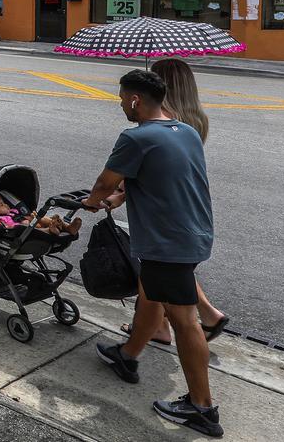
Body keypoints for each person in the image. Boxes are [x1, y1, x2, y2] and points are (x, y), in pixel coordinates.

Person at [82, 69, 223, 438]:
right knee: (150, 295)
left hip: (166, 242)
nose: (120, 105)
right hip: (193, 233)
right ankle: (127, 356)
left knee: (184, 321)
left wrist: (94, 201)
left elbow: (104, 182)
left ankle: (202, 407)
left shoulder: (136, 137)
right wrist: (120, 196)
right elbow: (161, 175)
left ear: (134, 100)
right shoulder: (185, 131)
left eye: (121, 99)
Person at [117, 58, 229, 345]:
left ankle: (150, 335)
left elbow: (150, 169)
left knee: (156, 280)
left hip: (162, 215)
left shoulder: (166, 123)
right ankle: (205, 315)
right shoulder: (194, 120)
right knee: (168, 274)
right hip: (188, 211)